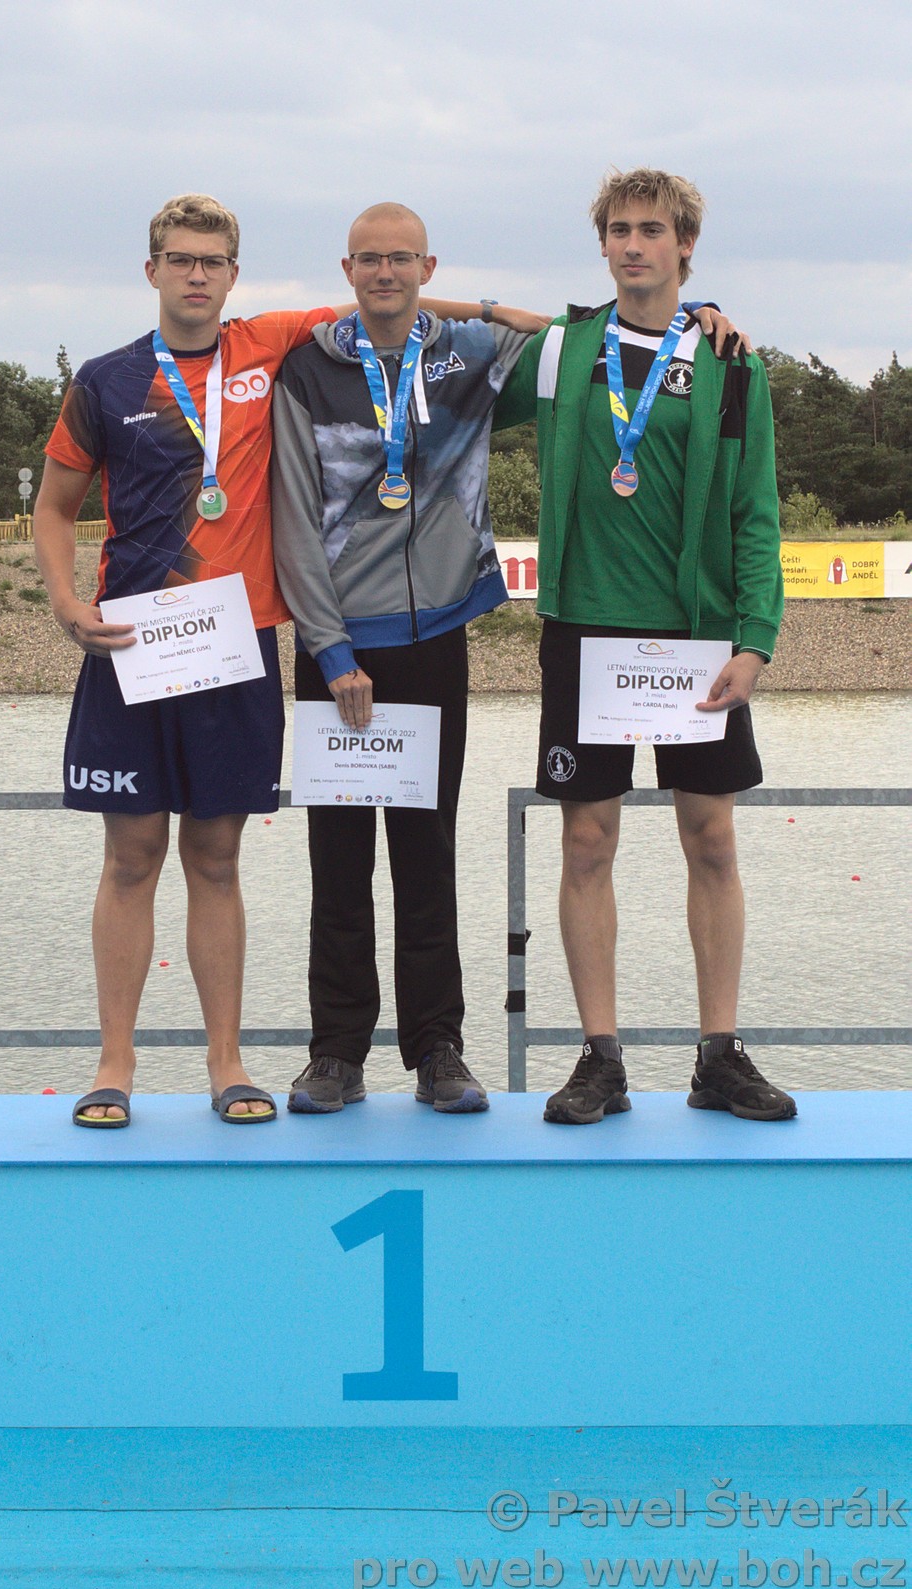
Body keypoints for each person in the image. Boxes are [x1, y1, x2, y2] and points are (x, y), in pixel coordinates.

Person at [34, 193, 547, 1130]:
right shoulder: (114, 379)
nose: (196, 274)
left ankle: (260, 1063)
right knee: (137, 857)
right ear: (152, 270)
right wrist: (67, 605)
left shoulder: (267, 344)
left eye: (212, 261)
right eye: (180, 259)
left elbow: (395, 305)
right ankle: (127, 1066)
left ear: (235, 275)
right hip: (149, 648)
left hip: (250, 649)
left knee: (231, 857)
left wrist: (489, 308)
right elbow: (55, 503)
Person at [270, 202, 740, 1117]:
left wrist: (693, 313)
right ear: (346, 268)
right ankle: (334, 1052)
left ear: (428, 265)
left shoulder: (470, 354)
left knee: (429, 856)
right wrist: (328, 648)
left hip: (436, 639)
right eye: (368, 260)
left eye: (402, 259)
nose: (384, 273)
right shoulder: (309, 367)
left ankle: (437, 1048)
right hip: (338, 648)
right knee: (337, 863)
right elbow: (291, 517)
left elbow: (576, 331)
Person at [493, 167, 796, 1125]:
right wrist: (477, 306)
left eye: (652, 230)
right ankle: (600, 1058)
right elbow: (444, 356)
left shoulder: (731, 364)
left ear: (685, 246)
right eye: (619, 229)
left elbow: (756, 512)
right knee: (587, 841)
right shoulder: (564, 350)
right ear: (603, 245)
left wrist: (756, 640)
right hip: (585, 628)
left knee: (711, 838)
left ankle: (719, 1054)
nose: (633, 244)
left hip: (696, 636)